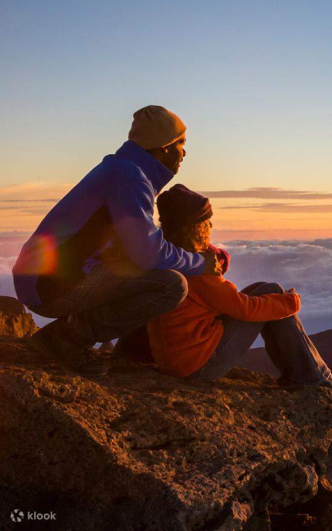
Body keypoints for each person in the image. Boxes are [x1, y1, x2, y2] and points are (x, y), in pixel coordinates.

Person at [13, 106, 222, 375]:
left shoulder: (122, 169)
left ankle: (72, 336)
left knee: (147, 269)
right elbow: (148, 253)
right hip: (47, 283)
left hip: (41, 276)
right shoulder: (130, 179)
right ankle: (67, 339)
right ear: (164, 147)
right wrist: (200, 262)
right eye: (181, 143)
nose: (185, 152)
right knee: (171, 285)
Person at [147, 184, 332, 390]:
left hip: (177, 359)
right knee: (274, 296)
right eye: (206, 221)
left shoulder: (171, 257)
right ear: (195, 227)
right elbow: (245, 309)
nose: (211, 225)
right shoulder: (196, 268)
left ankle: (309, 373)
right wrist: (291, 302)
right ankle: (312, 376)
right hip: (198, 365)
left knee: (267, 289)